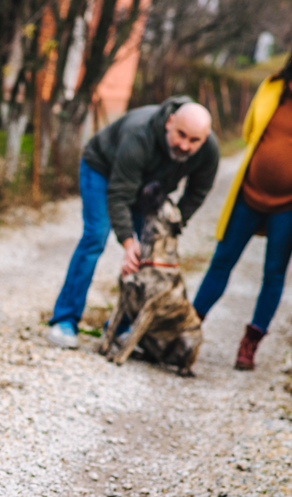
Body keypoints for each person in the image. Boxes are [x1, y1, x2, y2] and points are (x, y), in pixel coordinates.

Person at [192, 31, 292, 370]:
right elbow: (252, 131)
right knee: (222, 261)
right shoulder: (272, 87)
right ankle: (189, 326)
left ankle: (251, 343)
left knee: (274, 273)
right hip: (248, 194)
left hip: (291, 204)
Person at [47, 98, 219, 349]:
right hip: (103, 171)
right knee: (96, 236)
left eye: (194, 141)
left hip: (148, 188)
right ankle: (64, 320)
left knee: (149, 252)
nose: (185, 145)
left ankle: (122, 327)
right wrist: (129, 243)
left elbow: (197, 192)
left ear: (205, 138)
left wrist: (171, 226)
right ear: (170, 122)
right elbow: (119, 195)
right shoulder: (140, 134)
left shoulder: (209, 150)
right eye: (181, 135)